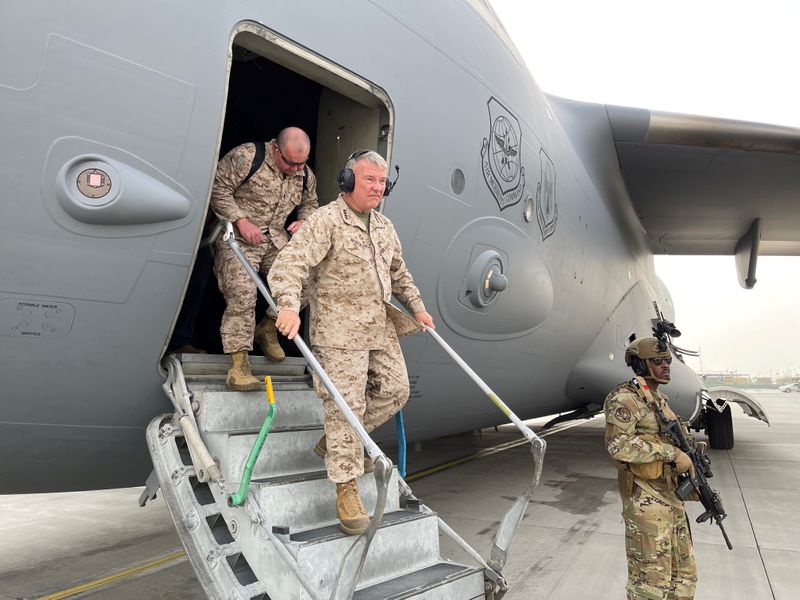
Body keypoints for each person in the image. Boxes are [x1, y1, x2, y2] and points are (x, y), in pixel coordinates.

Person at [267, 150, 434, 535]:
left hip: (379, 327)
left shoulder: (384, 226)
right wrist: (289, 307)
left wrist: (419, 308)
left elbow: (400, 272)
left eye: (381, 181)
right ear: (348, 180)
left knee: (396, 390)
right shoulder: (326, 221)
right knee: (346, 407)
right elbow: (289, 265)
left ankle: (336, 440)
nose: (377, 187)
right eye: (369, 180)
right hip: (339, 335)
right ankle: (346, 487)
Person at [210, 127, 318, 391]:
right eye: (290, 162)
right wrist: (240, 219)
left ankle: (268, 327)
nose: (295, 169)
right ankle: (238, 365)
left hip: (275, 240)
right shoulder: (247, 157)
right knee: (243, 291)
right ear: (275, 149)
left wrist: (304, 220)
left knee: (310, 278)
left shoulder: (303, 173)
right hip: (238, 238)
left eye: (301, 163)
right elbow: (217, 187)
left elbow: (310, 202)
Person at [604, 337, 699, 600]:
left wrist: (695, 487)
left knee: (683, 578)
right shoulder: (625, 398)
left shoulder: (659, 399)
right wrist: (672, 452)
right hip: (647, 502)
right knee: (650, 585)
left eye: (667, 360)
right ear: (639, 364)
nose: (665, 366)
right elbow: (617, 446)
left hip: (672, 500)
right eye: (657, 361)